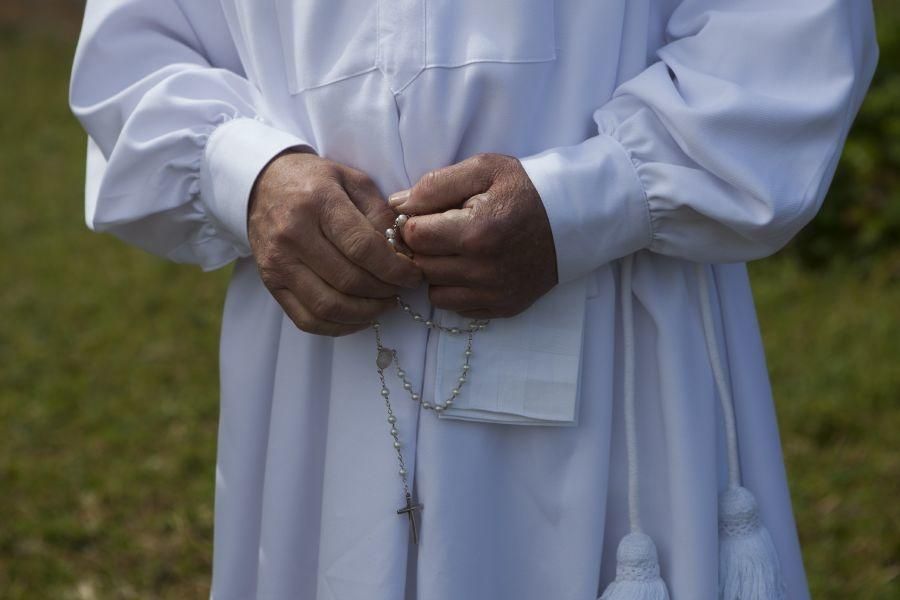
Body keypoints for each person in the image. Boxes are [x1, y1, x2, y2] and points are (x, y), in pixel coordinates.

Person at [70, 1, 877, 598]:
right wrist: (248, 175)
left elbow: (787, 37)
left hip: (620, 337)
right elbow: (135, 53)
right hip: (321, 364)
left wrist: (598, 196)